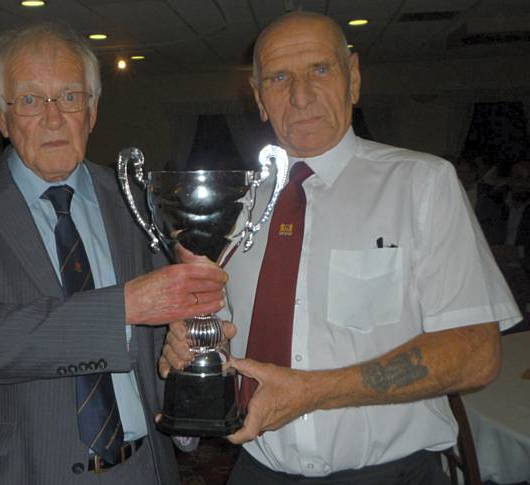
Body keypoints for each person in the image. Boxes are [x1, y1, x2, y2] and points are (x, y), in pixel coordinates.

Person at [160, 12, 521, 485]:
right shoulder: (235, 205)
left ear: (354, 77)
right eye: (280, 77)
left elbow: (476, 353)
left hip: (390, 474)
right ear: (259, 97)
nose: (301, 95)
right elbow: (224, 328)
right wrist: (189, 346)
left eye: (321, 70)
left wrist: (315, 391)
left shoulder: (422, 184)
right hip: (258, 470)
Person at [0, 23, 227, 485]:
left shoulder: (138, 198)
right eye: (30, 100)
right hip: (18, 470)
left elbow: (167, 329)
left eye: (69, 97)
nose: (54, 117)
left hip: (144, 467)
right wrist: (126, 305)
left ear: (93, 110)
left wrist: (186, 347)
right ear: (0, 116)